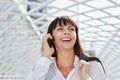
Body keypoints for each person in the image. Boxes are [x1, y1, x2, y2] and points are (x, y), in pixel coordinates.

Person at [27, 16, 107, 80]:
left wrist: (86, 78)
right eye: (60, 29)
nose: (67, 32)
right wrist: (45, 55)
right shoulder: (42, 68)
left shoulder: (93, 66)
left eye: (71, 29)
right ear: (50, 38)